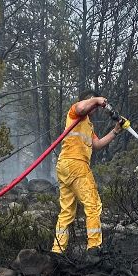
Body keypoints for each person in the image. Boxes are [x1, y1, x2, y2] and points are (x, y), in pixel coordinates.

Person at [51, 90, 126, 257]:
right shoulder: (75, 110)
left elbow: (97, 145)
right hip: (76, 164)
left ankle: (57, 250)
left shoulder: (87, 125)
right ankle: (94, 248)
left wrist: (116, 130)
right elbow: (82, 107)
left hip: (65, 166)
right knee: (93, 204)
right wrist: (97, 99)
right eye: (93, 103)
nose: (96, 108)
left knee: (67, 211)